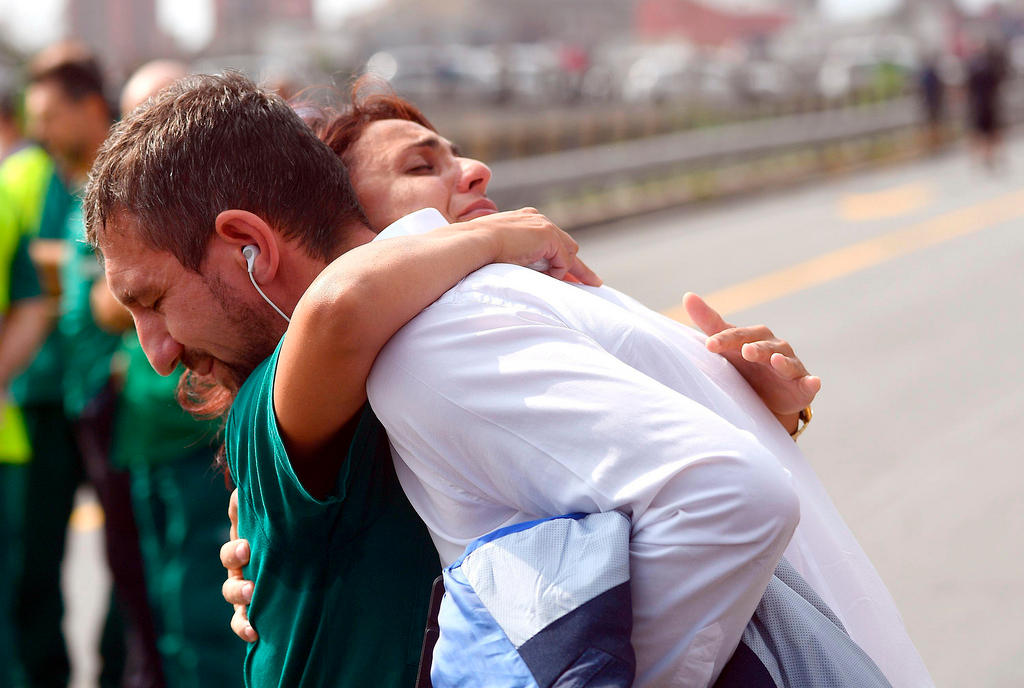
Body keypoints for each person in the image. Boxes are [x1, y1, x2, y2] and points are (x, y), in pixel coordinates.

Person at [85, 73, 927, 687]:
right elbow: (343, 309)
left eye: (153, 301)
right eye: (419, 179)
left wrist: (741, 402)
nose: (154, 352)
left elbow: (718, 498)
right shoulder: (355, 371)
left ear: (252, 243)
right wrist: (492, 240)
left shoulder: (429, 348)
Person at [19, 44, 165, 688]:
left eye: (51, 115)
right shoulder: (53, 181)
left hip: (127, 406)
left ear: (90, 107)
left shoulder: (134, 181)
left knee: (139, 565)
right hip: (70, 402)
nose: (39, 131)